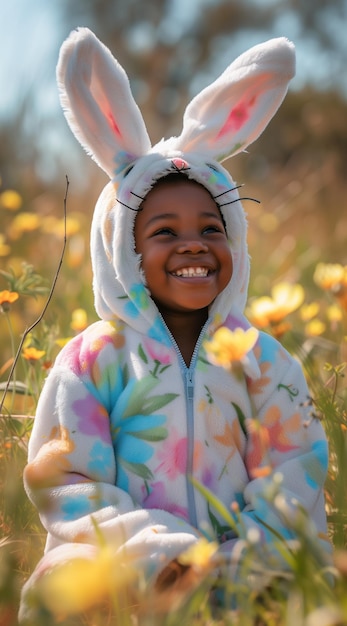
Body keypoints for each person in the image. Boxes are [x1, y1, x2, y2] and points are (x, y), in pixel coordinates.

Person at [19, 28, 331, 621]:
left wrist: (247, 559)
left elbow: (300, 463)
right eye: (164, 232)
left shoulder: (263, 359)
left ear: (235, 238)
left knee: (310, 581)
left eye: (212, 229)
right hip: (132, 574)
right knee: (60, 584)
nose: (194, 245)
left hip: (248, 572)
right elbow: (69, 483)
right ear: (120, 250)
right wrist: (168, 557)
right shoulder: (91, 362)